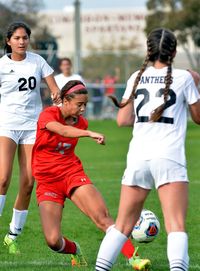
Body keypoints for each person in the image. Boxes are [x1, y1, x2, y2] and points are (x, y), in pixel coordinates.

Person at [95, 28, 200, 271]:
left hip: (138, 156)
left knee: (122, 226)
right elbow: (198, 117)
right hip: (169, 155)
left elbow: (122, 120)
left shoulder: (136, 76)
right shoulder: (184, 77)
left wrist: (146, 118)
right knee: (175, 225)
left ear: (148, 50)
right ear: (173, 52)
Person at [32, 80, 150, 269]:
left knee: (103, 218)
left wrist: (84, 130)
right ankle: (74, 250)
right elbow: (62, 130)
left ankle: (133, 258)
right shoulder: (48, 115)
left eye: (85, 104)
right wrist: (88, 133)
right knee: (53, 240)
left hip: (72, 173)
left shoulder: (81, 122)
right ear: (65, 101)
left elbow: (71, 130)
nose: (83, 109)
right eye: (79, 104)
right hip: (47, 182)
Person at [0, 21, 60, 254]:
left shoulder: (38, 61)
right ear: (8, 41)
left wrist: (57, 97)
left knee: (28, 182)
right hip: (7, 125)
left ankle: (12, 235)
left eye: (25, 37)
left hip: (32, 127)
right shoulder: (2, 65)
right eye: (17, 38)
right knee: (3, 179)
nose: (22, 41)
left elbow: (54, 88)